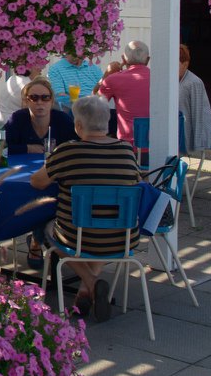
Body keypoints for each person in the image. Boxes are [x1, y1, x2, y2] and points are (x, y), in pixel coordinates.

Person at [29, 95, 142, 322]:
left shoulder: (68, 151)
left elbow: (38, 182)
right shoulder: (126, 151)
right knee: (102, 221)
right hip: (123, 238)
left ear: (79, 125)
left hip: (79, 238)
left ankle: (90, 282)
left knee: (47, 230)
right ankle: (85, 291)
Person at [3, 76, 77, 157]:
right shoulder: (18, 118)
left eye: (45, 97)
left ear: (52, 101)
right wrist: (27, 148)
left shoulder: (62, 119)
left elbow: (79, 146)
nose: (39, 102)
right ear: (26, 101)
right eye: (34, 97)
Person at [96, 40, 152, 141]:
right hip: (157, 144)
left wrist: (106, 75)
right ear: (147, 60)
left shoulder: (113, 79)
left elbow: (94, 106)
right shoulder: (160, 80)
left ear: (124, 59)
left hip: (126, 147)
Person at [178, 45, 211, 154]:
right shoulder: (174, 79)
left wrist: (197, 142)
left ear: (185, 64)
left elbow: (198, 113)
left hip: (199, 131)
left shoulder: (194, 82)